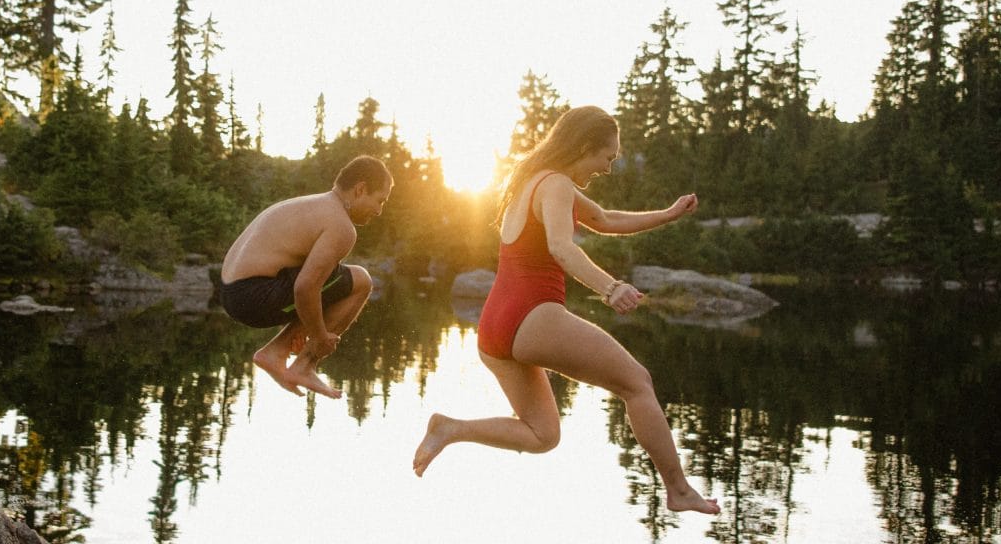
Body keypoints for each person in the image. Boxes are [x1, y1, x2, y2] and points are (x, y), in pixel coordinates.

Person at [413, 106, 720, 515]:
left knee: (543, 435)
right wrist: (610, 288)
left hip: (496, 326)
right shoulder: (555, 183)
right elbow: (561, 246)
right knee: (637, 384)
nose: (607, 168)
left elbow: (605, 219)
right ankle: (678, 489)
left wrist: (666, 215)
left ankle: (451, 429)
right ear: (584, 146)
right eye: (606, 157)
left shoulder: (531, 181)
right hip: (532, 312)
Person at [220, 155, 391, 399]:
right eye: (380, 201)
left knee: (331, 281)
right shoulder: (341, 226)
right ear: (360, 189)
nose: (379, 210)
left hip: (231, 292)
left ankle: (276, 352)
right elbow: (305, 288)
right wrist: (320, 336)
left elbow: (306, 282)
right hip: (250, 296)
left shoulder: (315, 205)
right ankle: (304, 365)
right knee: (361, 281)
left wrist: (306, 325)